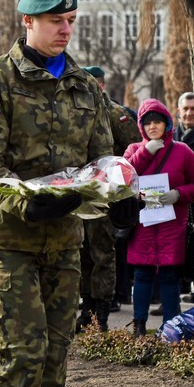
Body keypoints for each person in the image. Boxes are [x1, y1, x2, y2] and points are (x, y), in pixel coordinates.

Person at [0, 0, 139, 387]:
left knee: (55, 357)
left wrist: (122, 199)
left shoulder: (85, 86)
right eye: (55, 21)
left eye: (70, 21)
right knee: (24, 354)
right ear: (28, 22)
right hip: (6, 241)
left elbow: (103, 157)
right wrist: (22, 201)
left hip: (63, 242)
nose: (65, 29)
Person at [124, 98, 194, 337]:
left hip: (173, 225)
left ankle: (171, 327)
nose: (152, 127)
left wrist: (179, 194)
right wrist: (145, 152)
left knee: (170, 276)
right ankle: (139, 325)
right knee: (142, 275)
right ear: (141, 126)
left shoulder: (182, 151)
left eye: (157, 121)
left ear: (167, 123)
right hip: (143, 225)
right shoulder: (132, 150)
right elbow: (124, 178)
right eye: (147, 123)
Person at [75, 66, 142, 331]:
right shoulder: (79, 114)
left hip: (106, 194)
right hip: (82, 192)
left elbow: (133, 150)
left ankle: (101, 312)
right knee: (83, 254)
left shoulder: (115, 114)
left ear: (100, 87)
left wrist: (122, 187)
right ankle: (87, 307)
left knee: (102, 252)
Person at [174, 91, 194, 305]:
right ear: (178, 111)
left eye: (193, 109)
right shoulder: (171, 135)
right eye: (185, 109)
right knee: (175, 249)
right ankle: (172, 298)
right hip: (174, 203)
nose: (189, 113)